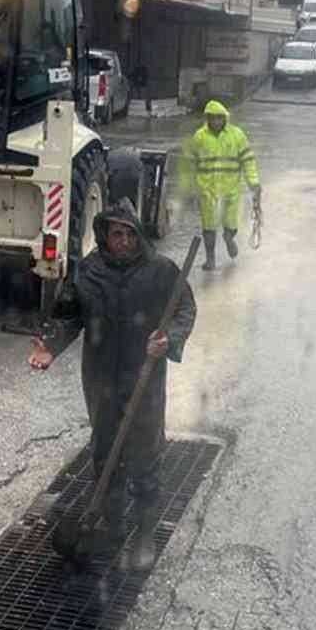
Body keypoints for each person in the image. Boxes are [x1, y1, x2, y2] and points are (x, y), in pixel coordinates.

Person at [29, 200, 196, 571]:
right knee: (105, 451)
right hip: (101, 378)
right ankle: (113, 526)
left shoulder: (160, 271)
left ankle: (146, 531)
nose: (122, 241)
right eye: (115, 234)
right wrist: (50, 347)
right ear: (104, 235)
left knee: (144, 455)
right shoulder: (88, 272)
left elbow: (185, 309)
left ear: (138, 235)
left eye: (128, 234)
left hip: (144, 378)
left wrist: (168, 338)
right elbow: (69, 314)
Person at [176, 98, 261, 270]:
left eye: (219, 117)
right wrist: (188, 188)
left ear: (225, 118)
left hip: (230, 189)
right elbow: (189, 164)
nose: (215, 121)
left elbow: (248, 160)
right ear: (207, 118)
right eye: (212, 118)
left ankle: (229, 239)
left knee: (230, 224)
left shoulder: (237, 135)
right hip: (207, 189)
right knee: (208, 226)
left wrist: (254, 183)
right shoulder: (199, 137)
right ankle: (210, 258)